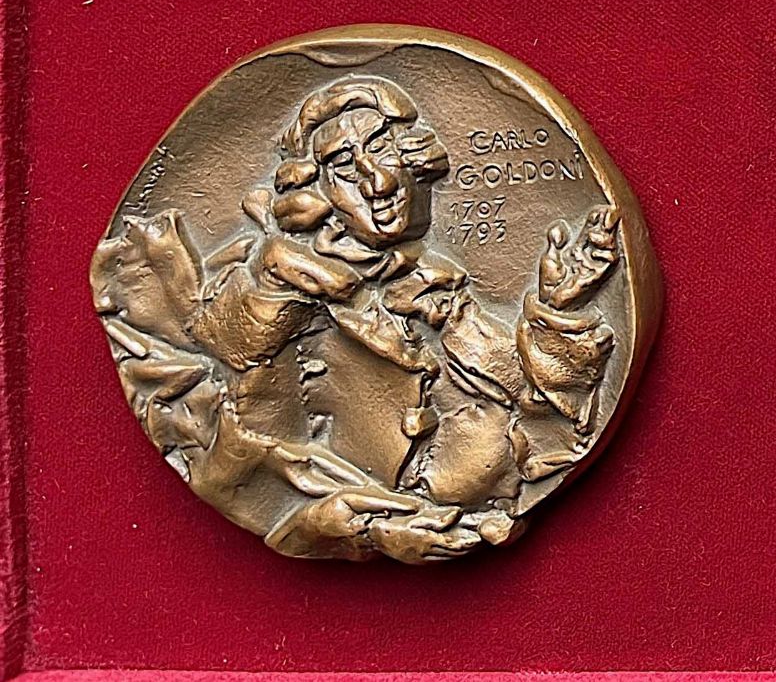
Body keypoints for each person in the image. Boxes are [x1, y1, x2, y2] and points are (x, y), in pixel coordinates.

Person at [92, 74, 621, 562]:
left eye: (385, 151)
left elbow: (537, 403)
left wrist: (558, 311)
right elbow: (241, 414)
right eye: (345, 168)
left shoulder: (432, 286)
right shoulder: (280, 284)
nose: (378, 182)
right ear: (316, 195)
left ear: (416, 162)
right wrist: (352, 530)